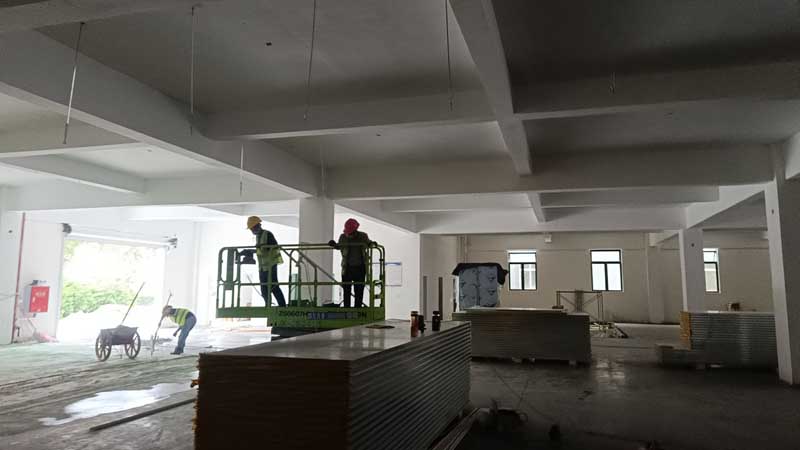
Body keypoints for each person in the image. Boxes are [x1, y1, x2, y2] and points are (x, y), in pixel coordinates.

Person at [329, 218, 374, 308]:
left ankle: (357, 308)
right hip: (347, 267)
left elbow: (369, 243)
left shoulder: (362, 236)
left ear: (355, 230)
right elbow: (339, 246)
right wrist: (334, 245)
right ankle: (347, 308)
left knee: (359, 290)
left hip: (360, 267)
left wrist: (372, 244)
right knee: (346, 289)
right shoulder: (343, 237)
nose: (349, 235)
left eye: (351, 233)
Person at [247, 216, 287, 307]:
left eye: (252, 228)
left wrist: (262, 247)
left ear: (257, 226)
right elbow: (260, 250)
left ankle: (282, 306)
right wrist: (251, 251)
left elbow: (274, 247)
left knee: (274, 287)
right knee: (264, 288)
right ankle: (268, 305)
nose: (252, 231)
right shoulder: (258, 236)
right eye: (251, 229)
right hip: (262, 267)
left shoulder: (267, 234)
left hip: (271, 265)